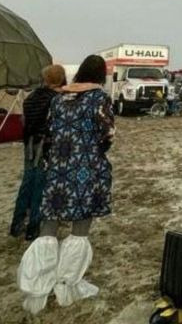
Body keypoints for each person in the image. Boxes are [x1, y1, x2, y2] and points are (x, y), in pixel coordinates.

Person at [17, 54, 114, 314]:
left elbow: (48, 132)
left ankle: (38, 284)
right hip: (87, 167)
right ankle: (67, 284)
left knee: (48, 225)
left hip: (58, 167)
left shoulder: (58, 98)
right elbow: (107, 134)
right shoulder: (99, 98)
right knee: (80, 226)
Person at [10, 64, 67, 241]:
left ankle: (17, 223)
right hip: (47, 146)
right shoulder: (58, 99)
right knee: (40, 186)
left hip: (30, 145)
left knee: (27, 182)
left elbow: (25, 122)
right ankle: (33, 227)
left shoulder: (32, 97)